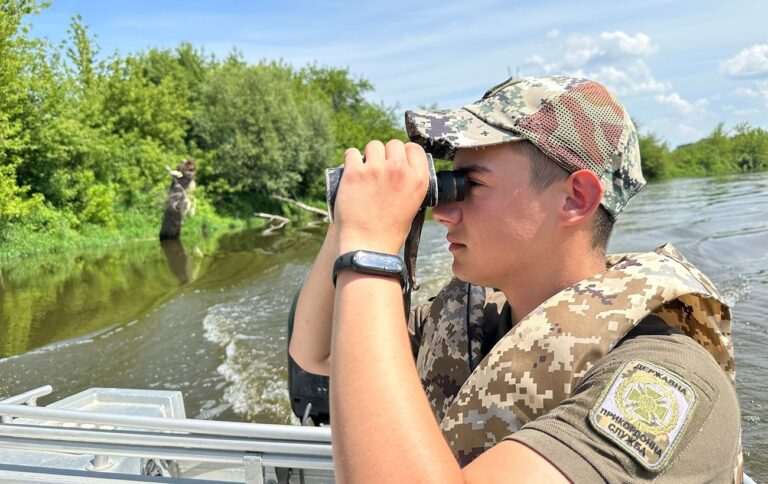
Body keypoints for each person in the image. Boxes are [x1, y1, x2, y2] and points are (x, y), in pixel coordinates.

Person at [288, 75, 742, 483]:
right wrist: (352, 219)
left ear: (576, 198)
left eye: (470, 185)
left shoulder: (664, 377)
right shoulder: (469, 324)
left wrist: (370, 250)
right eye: (446, 185)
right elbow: (317, 351)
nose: (443, 213)